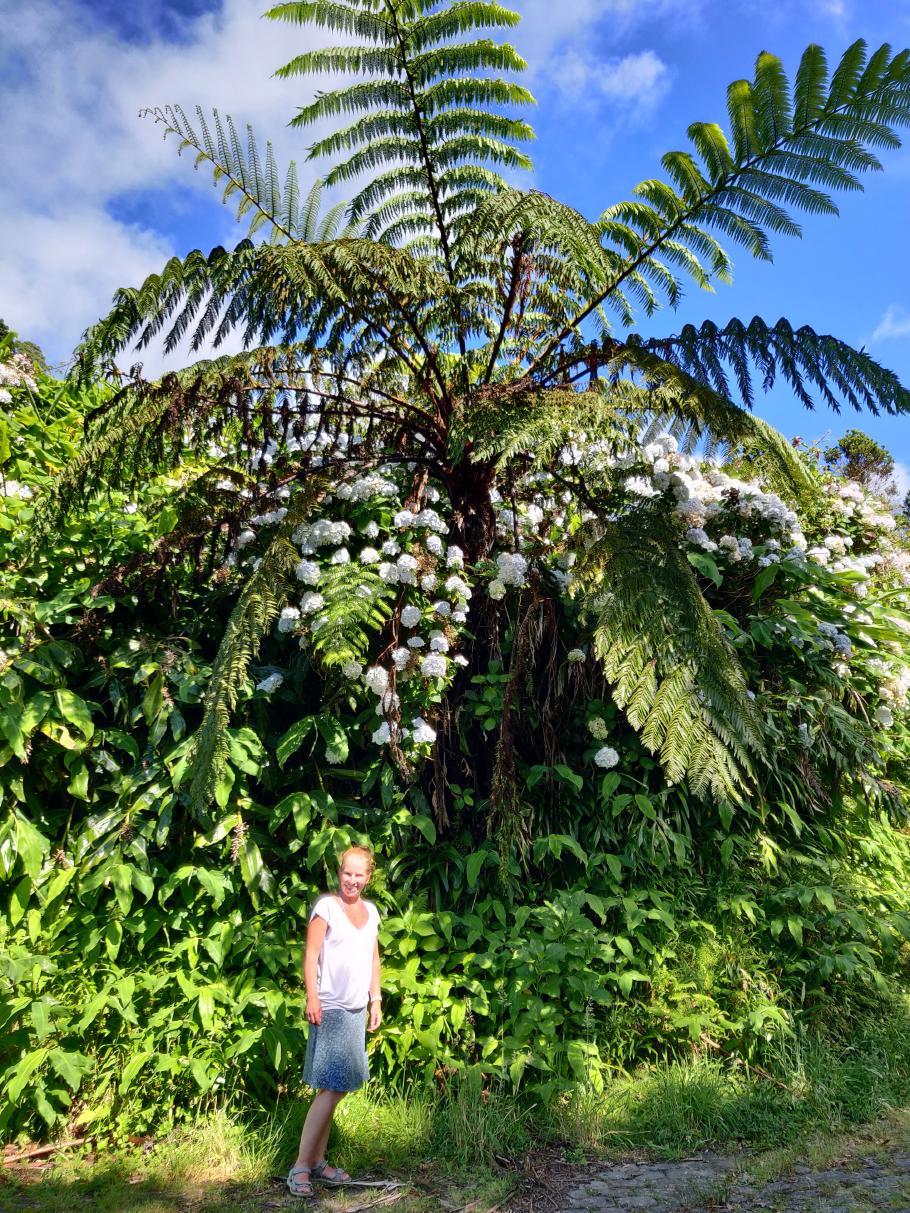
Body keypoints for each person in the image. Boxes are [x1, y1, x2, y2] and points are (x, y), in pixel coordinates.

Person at [286, 845, 382, 1198]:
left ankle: (317, 1161)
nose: (352, 880)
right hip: (330, 1010)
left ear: (368, 878)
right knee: (332, 1088)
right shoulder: (327, 908)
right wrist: (312, 996)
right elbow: (311, 955)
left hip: (356, 1011)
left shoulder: (370, 913)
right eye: (347, 873)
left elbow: (373, 957)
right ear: (338, 873)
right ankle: (300, 1166)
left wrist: (376, 999)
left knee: (332, 1089)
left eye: (359, 874)